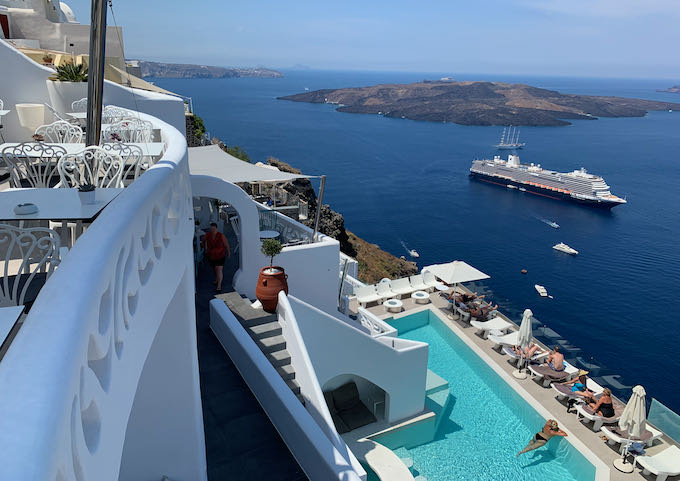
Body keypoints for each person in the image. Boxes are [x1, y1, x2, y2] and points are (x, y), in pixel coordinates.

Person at [201, 222, 230, 292]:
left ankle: (219, 285)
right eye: (211, 229)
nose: (213, 230)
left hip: (220, 255)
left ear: (217, 229)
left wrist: (229, 252)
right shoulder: (207, 235)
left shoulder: (221, 236)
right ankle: (217, 279)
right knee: (215, 269)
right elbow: (203, 241)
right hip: (211, 256)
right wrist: (204, 248)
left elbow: (226, 244)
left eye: (214, 229)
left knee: (219, 269)